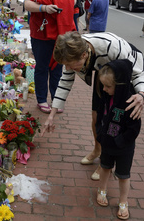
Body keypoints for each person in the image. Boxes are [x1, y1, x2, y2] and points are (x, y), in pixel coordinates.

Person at [41, 31, 144, 180]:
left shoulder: (111, 46)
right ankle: (97, 150)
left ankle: (106, 162)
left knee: (114, 118)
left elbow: (137, 73)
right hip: (103, 70)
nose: (68, 69)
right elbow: (65, 82)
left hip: (125, 71)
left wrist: (141, 94)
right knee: (96, 116)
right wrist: (52, 115)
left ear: (84, 55)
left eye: (70, 65)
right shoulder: (72, 53)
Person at [24, 0, 76, 114]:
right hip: (40, 33)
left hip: (61, 33)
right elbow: (27, 4)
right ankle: (41, 99)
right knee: (41, 67)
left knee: (57, 68)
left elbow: (73, 0)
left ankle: (56, 99)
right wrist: (45, 7)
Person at [96, 59, 141, 220]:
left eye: (108, 86)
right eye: (103, 85)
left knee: (123, 175)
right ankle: (102, 190)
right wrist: (100, 133)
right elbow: (100, 115)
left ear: (120, 85)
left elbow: (134, 129)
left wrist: (120, 142)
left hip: (124, 149)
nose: (104, 89)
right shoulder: (107, 97)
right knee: (105, 168)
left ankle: (123, 201)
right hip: (107, 144)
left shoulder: (130, 102)